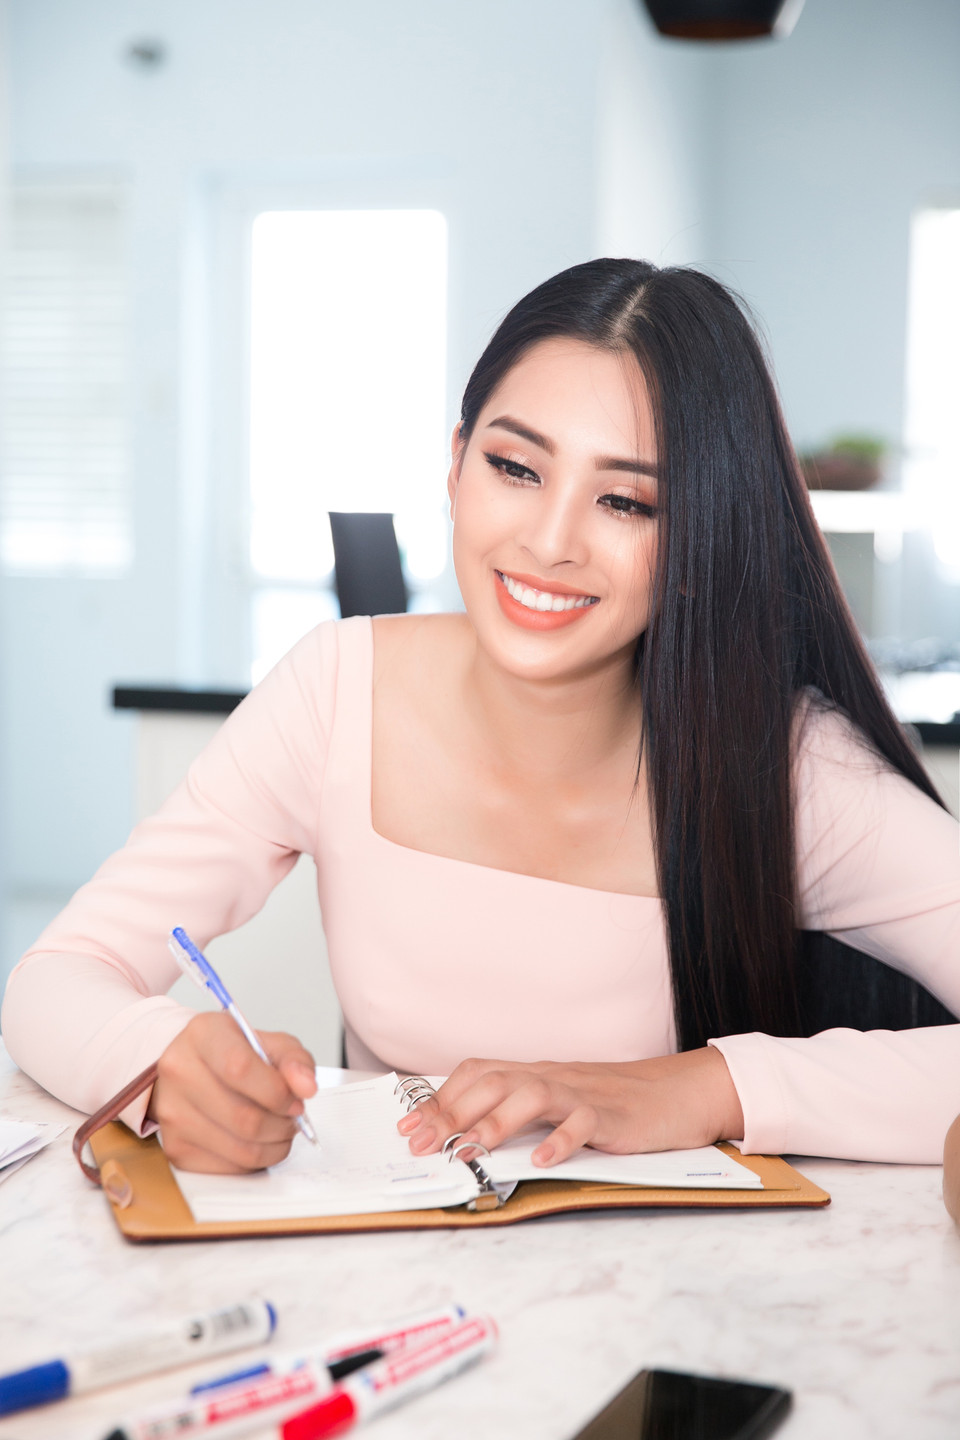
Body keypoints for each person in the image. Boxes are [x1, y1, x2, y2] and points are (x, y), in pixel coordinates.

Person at [2, 259, 959, 1178]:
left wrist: (708, 1087)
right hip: (386, 1293)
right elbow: (55, 977)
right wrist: (163, 1064)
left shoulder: (782, 764)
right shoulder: (338, 689)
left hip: (659, 1303)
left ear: (699, 539)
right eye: (516, 467)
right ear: (457, 465)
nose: (549, 543)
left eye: (625, 501)